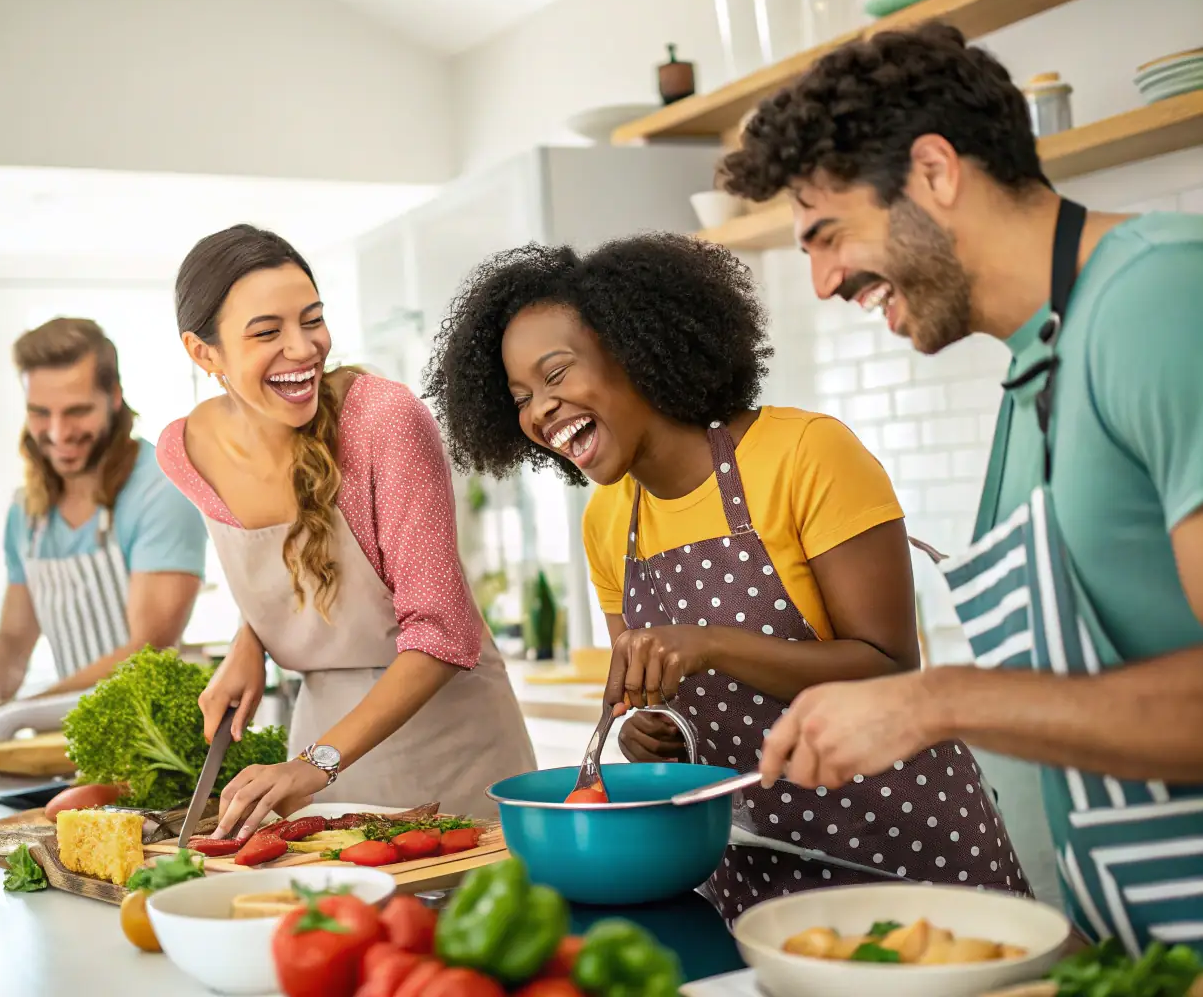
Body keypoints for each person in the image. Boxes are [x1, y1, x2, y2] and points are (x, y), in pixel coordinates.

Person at [724, 22, 1203, 955]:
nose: (821, 283)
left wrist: (931, 700)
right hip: (1143, 940)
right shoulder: (1037, 369)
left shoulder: (1158, 300)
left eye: (827, 235)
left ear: (936, 171)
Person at [424, 232, 1026, 926]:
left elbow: (889, 665)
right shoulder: (606, 520)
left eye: (556, 375)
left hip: (897, 836)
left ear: (634, 348)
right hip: (747, 853)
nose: (539, 410)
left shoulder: (806, 452)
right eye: (522, 396)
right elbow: (650, 696)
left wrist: (709, 644)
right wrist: (648, 729)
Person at [158, 224, 536, 835]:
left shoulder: (384, 422)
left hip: (447, 743)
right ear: (204, 353)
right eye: (267, 332)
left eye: (312, 320)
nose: (303, 348)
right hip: (317, 750)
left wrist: (314, 765)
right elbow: (291, 567)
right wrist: (250, 640)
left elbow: (442, 631)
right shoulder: (184, 451)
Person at [0, 318, 208, 707]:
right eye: (40, 412)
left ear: (114, 397)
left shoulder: (161, 489)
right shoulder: (28, 512)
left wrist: (25, 710)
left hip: (161, 738)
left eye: (76, 411)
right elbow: (14, 640)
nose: (57, 432)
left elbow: (148, 647)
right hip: (80, 736)